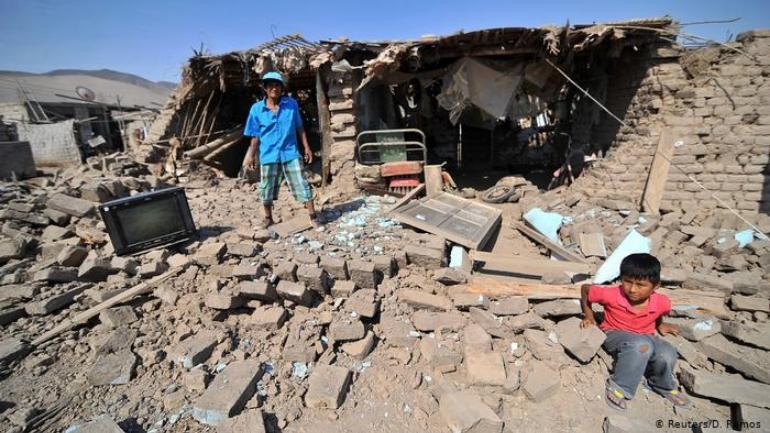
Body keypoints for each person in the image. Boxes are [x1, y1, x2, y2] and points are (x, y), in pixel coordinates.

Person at [580, 253, 691, 411]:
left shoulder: (662, 302)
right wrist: (589, 316)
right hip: (614, 333)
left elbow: (658, 312)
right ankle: (619, 386)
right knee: (642, 346)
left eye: (640, 285)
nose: (632, 289)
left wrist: (660, 325)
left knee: (668, 352)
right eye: (627, 281)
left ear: (656, 286)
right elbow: (585, 290)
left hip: (645, 335)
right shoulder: (611, 294)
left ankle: (662, 385)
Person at [243, 71, 321, 228]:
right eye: (270, 85)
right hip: (268, 154)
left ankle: (313, 217)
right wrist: (251, 155)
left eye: (277, 85)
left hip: (290, 152)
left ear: (281, 88)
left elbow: (299, 127)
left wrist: (307, 147)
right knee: (266, 187)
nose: (274, 88)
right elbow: (255, 136)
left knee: (302, 183)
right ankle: (268, 218)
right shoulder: (256, 109)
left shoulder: (291, 105)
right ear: (265, 88)